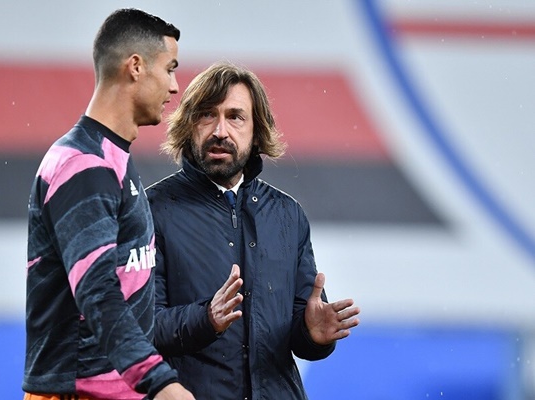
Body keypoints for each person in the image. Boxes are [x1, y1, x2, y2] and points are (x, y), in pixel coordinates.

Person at [146, 62, 360, 399]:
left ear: (257, 130)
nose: (220, 131)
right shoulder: (151, 210)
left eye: (235, 117)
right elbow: (141, 328)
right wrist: (206, 318)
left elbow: (298, 333)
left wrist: (313, 334)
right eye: (207, 115)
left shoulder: (287, 215)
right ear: (189, 126)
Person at [23, 8, 195, 400]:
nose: (174, 87)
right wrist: (159, 381)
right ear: (135, 67)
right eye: (170, 69)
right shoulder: (82, 165)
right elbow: (97, 291)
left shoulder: (112, 158)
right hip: (77, 393)